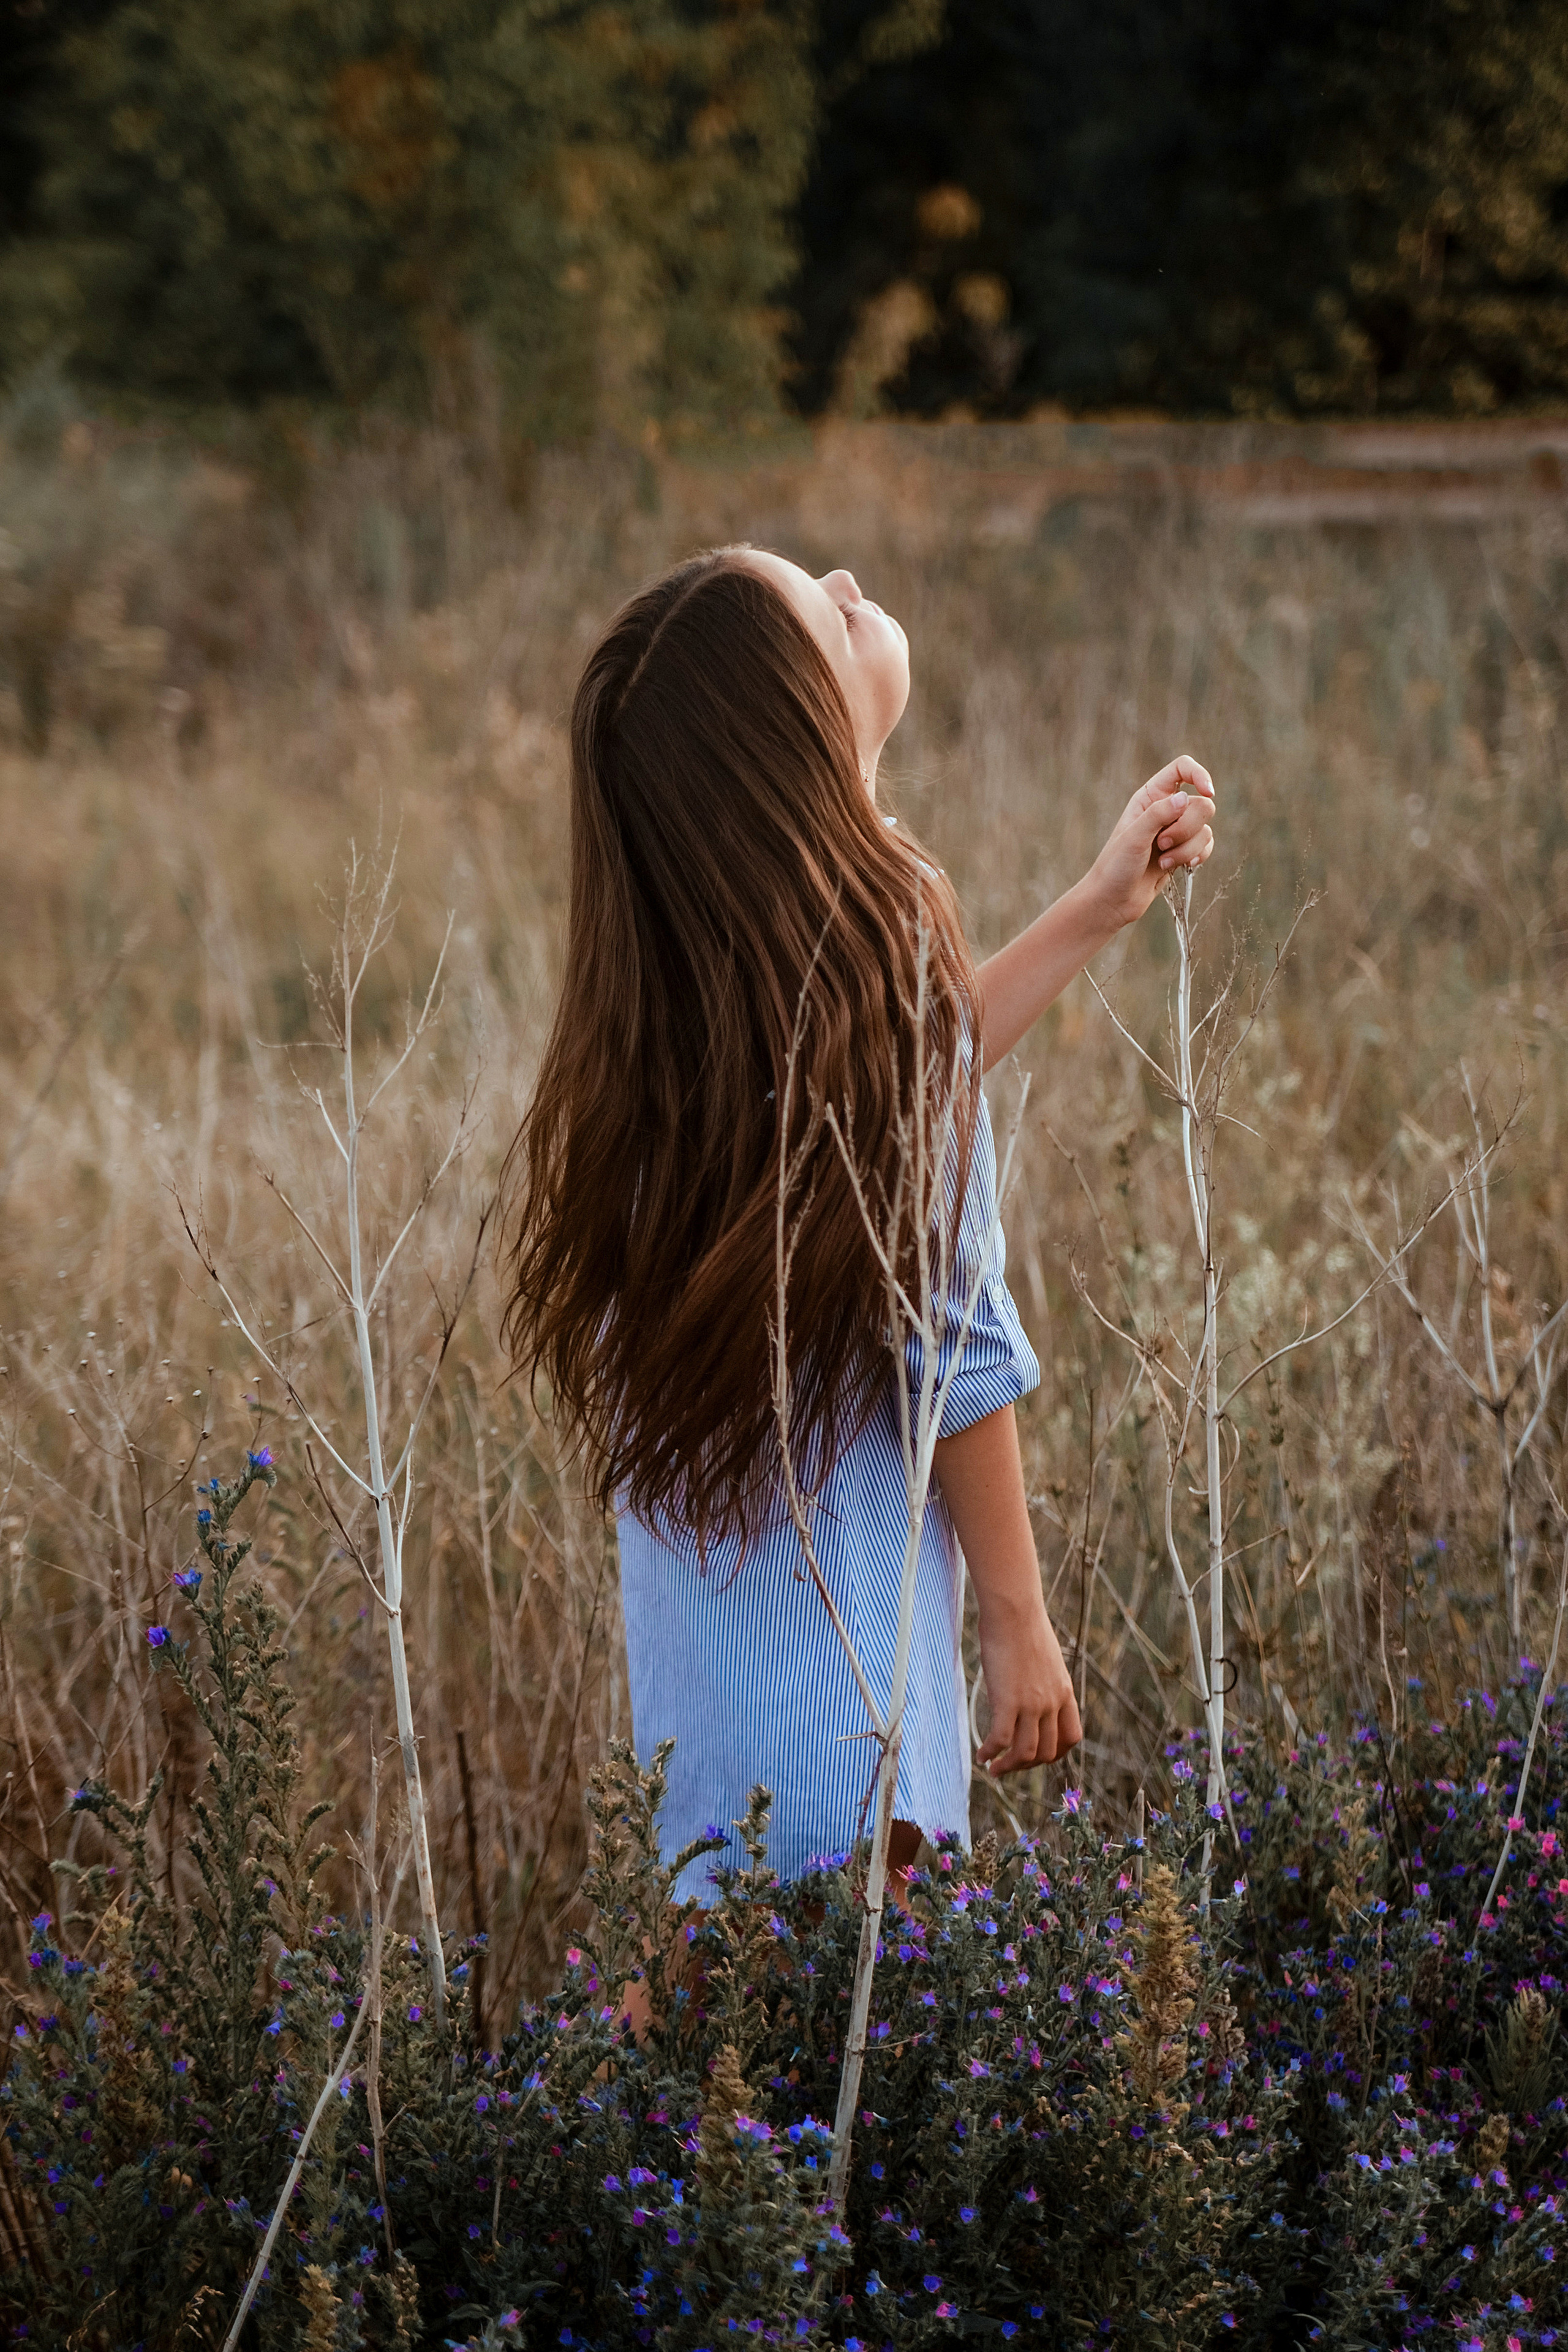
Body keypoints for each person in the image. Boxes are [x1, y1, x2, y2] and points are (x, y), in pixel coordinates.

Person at [502, 547, 1215, 1905]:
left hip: (714, 1717)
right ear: (797, 736)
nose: (846, 580)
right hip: (849, 1700)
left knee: (722, 2054)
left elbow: (892, 1104)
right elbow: (950, 1338)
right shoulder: (877, 947)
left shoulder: (691, 1004)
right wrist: (1015, 1621)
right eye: (821, 613)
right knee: (851, 2064)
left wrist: (1089, 911)